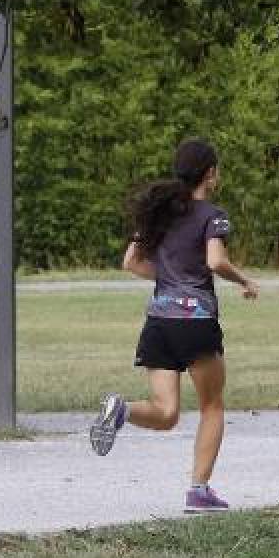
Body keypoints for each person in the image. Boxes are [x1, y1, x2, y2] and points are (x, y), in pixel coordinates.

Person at [88, 138, 260, 514]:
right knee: (212, 406)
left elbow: (131, 262)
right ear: (210, 173)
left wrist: (168, 279)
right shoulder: (213, 215)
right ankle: (198, 491)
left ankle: (121, 410)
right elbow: (215, 261)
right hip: (195, 323)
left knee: (165, 414)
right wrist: (244, 280)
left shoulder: (160, 213)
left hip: (159, 322)